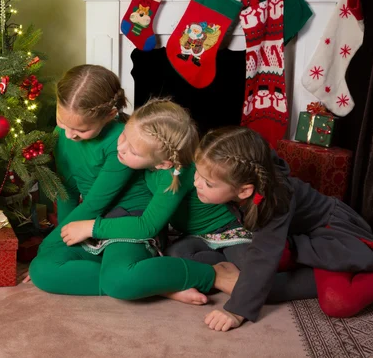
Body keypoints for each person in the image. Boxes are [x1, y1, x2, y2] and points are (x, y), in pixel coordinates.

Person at [29, 67, 239, 301]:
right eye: (62, 121)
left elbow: (96, 205)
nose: (69, 134)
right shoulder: (66, 135)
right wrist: (56, 243)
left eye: (81, 129)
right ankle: (155, 281)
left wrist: (53, 242)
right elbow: (66, 190)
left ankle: (212, 274)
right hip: (90, 223)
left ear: (110, 114)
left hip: (128, 220)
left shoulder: (127, 143)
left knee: (118, 281)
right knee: (41, 270)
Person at [62, 99, 248, 304]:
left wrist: (92, 227)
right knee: (173, 258)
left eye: (133, 151)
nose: (121, 148)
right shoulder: (147, 153)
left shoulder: (175, 173)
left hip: (225, 229)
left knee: (254, 280)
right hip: (190, 236)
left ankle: (233, 270)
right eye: (124, 135)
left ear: (163, 163)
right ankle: (213, 269)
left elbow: (147, 225)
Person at [191, 126, 373, 332]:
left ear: (244, 190)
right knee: (251, 267)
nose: (196, 182)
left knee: (337, 301)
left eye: (207, 182)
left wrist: (236, 310)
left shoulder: (274, 199)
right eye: (196, 173)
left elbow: (263, 255)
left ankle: (345, 267)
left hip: (332, 235)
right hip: (294, 237)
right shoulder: (245, 172)